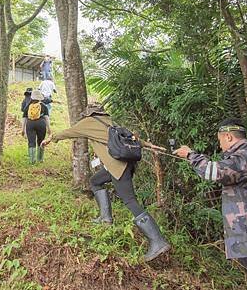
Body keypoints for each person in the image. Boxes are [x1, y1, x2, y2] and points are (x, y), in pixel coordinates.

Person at [173, 118, 247, 290]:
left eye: (220, 140)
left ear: (228, 137)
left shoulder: (244, 157)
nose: (221, 146)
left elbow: (212, 172)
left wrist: (189, 154)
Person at [41, 103, 171, 262]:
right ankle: (105, 218)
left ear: (88, 114)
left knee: (130, 201)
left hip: (117, 167)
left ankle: (158, 241)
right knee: (95, 181)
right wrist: (150, 145)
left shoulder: (87, 123)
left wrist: (51, 139)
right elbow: (132, 137)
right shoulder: (110, 121)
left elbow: (69, 132)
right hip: (124, 164)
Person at [22, 90, 51, 164]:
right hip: (41, 123)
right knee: (41, 141)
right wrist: (49, 128)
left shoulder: (28, 106)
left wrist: (23, 129)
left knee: (31, 142)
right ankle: (40, 159)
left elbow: (24, 118)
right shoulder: (43, 106)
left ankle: (32, 161)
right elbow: (47, 118)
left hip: (30, 124)